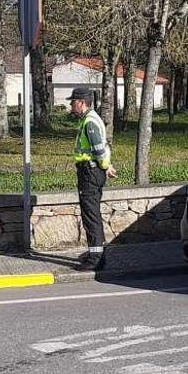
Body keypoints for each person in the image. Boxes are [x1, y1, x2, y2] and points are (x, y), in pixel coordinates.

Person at [68, 87, 117, 271]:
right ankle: (97, 254)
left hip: (90, 173)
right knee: (92, 214)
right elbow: (103, 147)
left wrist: (105, 166)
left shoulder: (89, 122)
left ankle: (96, 258)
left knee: (91, 215)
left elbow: (99, 149)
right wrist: (106, 166)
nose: (71, 104)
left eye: (73, 101)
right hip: (92, 172)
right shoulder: (90, 119)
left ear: (81, 102)